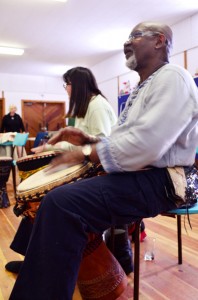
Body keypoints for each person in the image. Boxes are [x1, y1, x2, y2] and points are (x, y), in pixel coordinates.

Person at [9, 21, 198, 300]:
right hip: (142, 173)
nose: (127, 43)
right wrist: (87, 141)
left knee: (62, 203)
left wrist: (85, 153)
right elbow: (123, 141)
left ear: (159, 41)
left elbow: (147, 144)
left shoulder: (173, 77)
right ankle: (43, 267)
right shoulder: (143, 87)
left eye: (134, 36)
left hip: (168, 181)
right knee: (53, 197)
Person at [6, 67, 134, 277]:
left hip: (101, 172)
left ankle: (41, 264)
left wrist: (53, 149)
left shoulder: (97, 106)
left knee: (47, 201)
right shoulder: (85, 107)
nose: (65, 89)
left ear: (77, 85)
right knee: (39, 200)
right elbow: (76, 142)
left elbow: (101, 143)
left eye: (66, 84)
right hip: (89, 168)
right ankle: (34, 261)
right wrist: (50, 147)